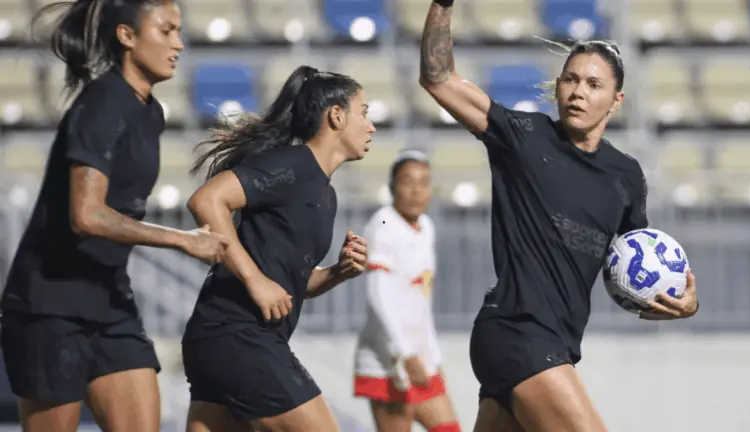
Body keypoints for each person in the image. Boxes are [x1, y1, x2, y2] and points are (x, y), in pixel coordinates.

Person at [418, 1, 700, 431]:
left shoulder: (626, 175)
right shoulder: (524, 137)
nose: (578, 91)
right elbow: (438, 79)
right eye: (570, 79)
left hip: (558, 344)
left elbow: (638, 266)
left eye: (593, 83)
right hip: (516, 330)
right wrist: (442, 5)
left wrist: (680, 301)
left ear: (616, 100)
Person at [0, 1, 230, 431]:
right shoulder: (104, 101)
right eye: (166, 31)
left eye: (180, 31)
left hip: (109, 300)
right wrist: (182, 239)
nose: (178, 43)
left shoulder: (151, 112)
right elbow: (85, 215)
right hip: (50, 306)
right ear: (127, 36)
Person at [181, 65, 376, 432]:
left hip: (224, 338)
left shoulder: (325, 193)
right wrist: (254, 280)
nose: (371, 126)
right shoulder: (293, 165)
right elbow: (207, 201)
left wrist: (337, 272)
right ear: (336, 115)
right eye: (364, 113)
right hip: (239, 334)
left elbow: (287, 287)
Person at [353, 150, 461, 432]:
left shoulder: (426, 226)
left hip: (421, 358)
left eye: (424, 182)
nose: (416, 190)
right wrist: (405, 354)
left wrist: (432, 357)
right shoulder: (384, 222)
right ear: (392, 187)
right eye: (407, 181)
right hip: (388, 361)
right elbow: (379, 293)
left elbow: (421, 302)